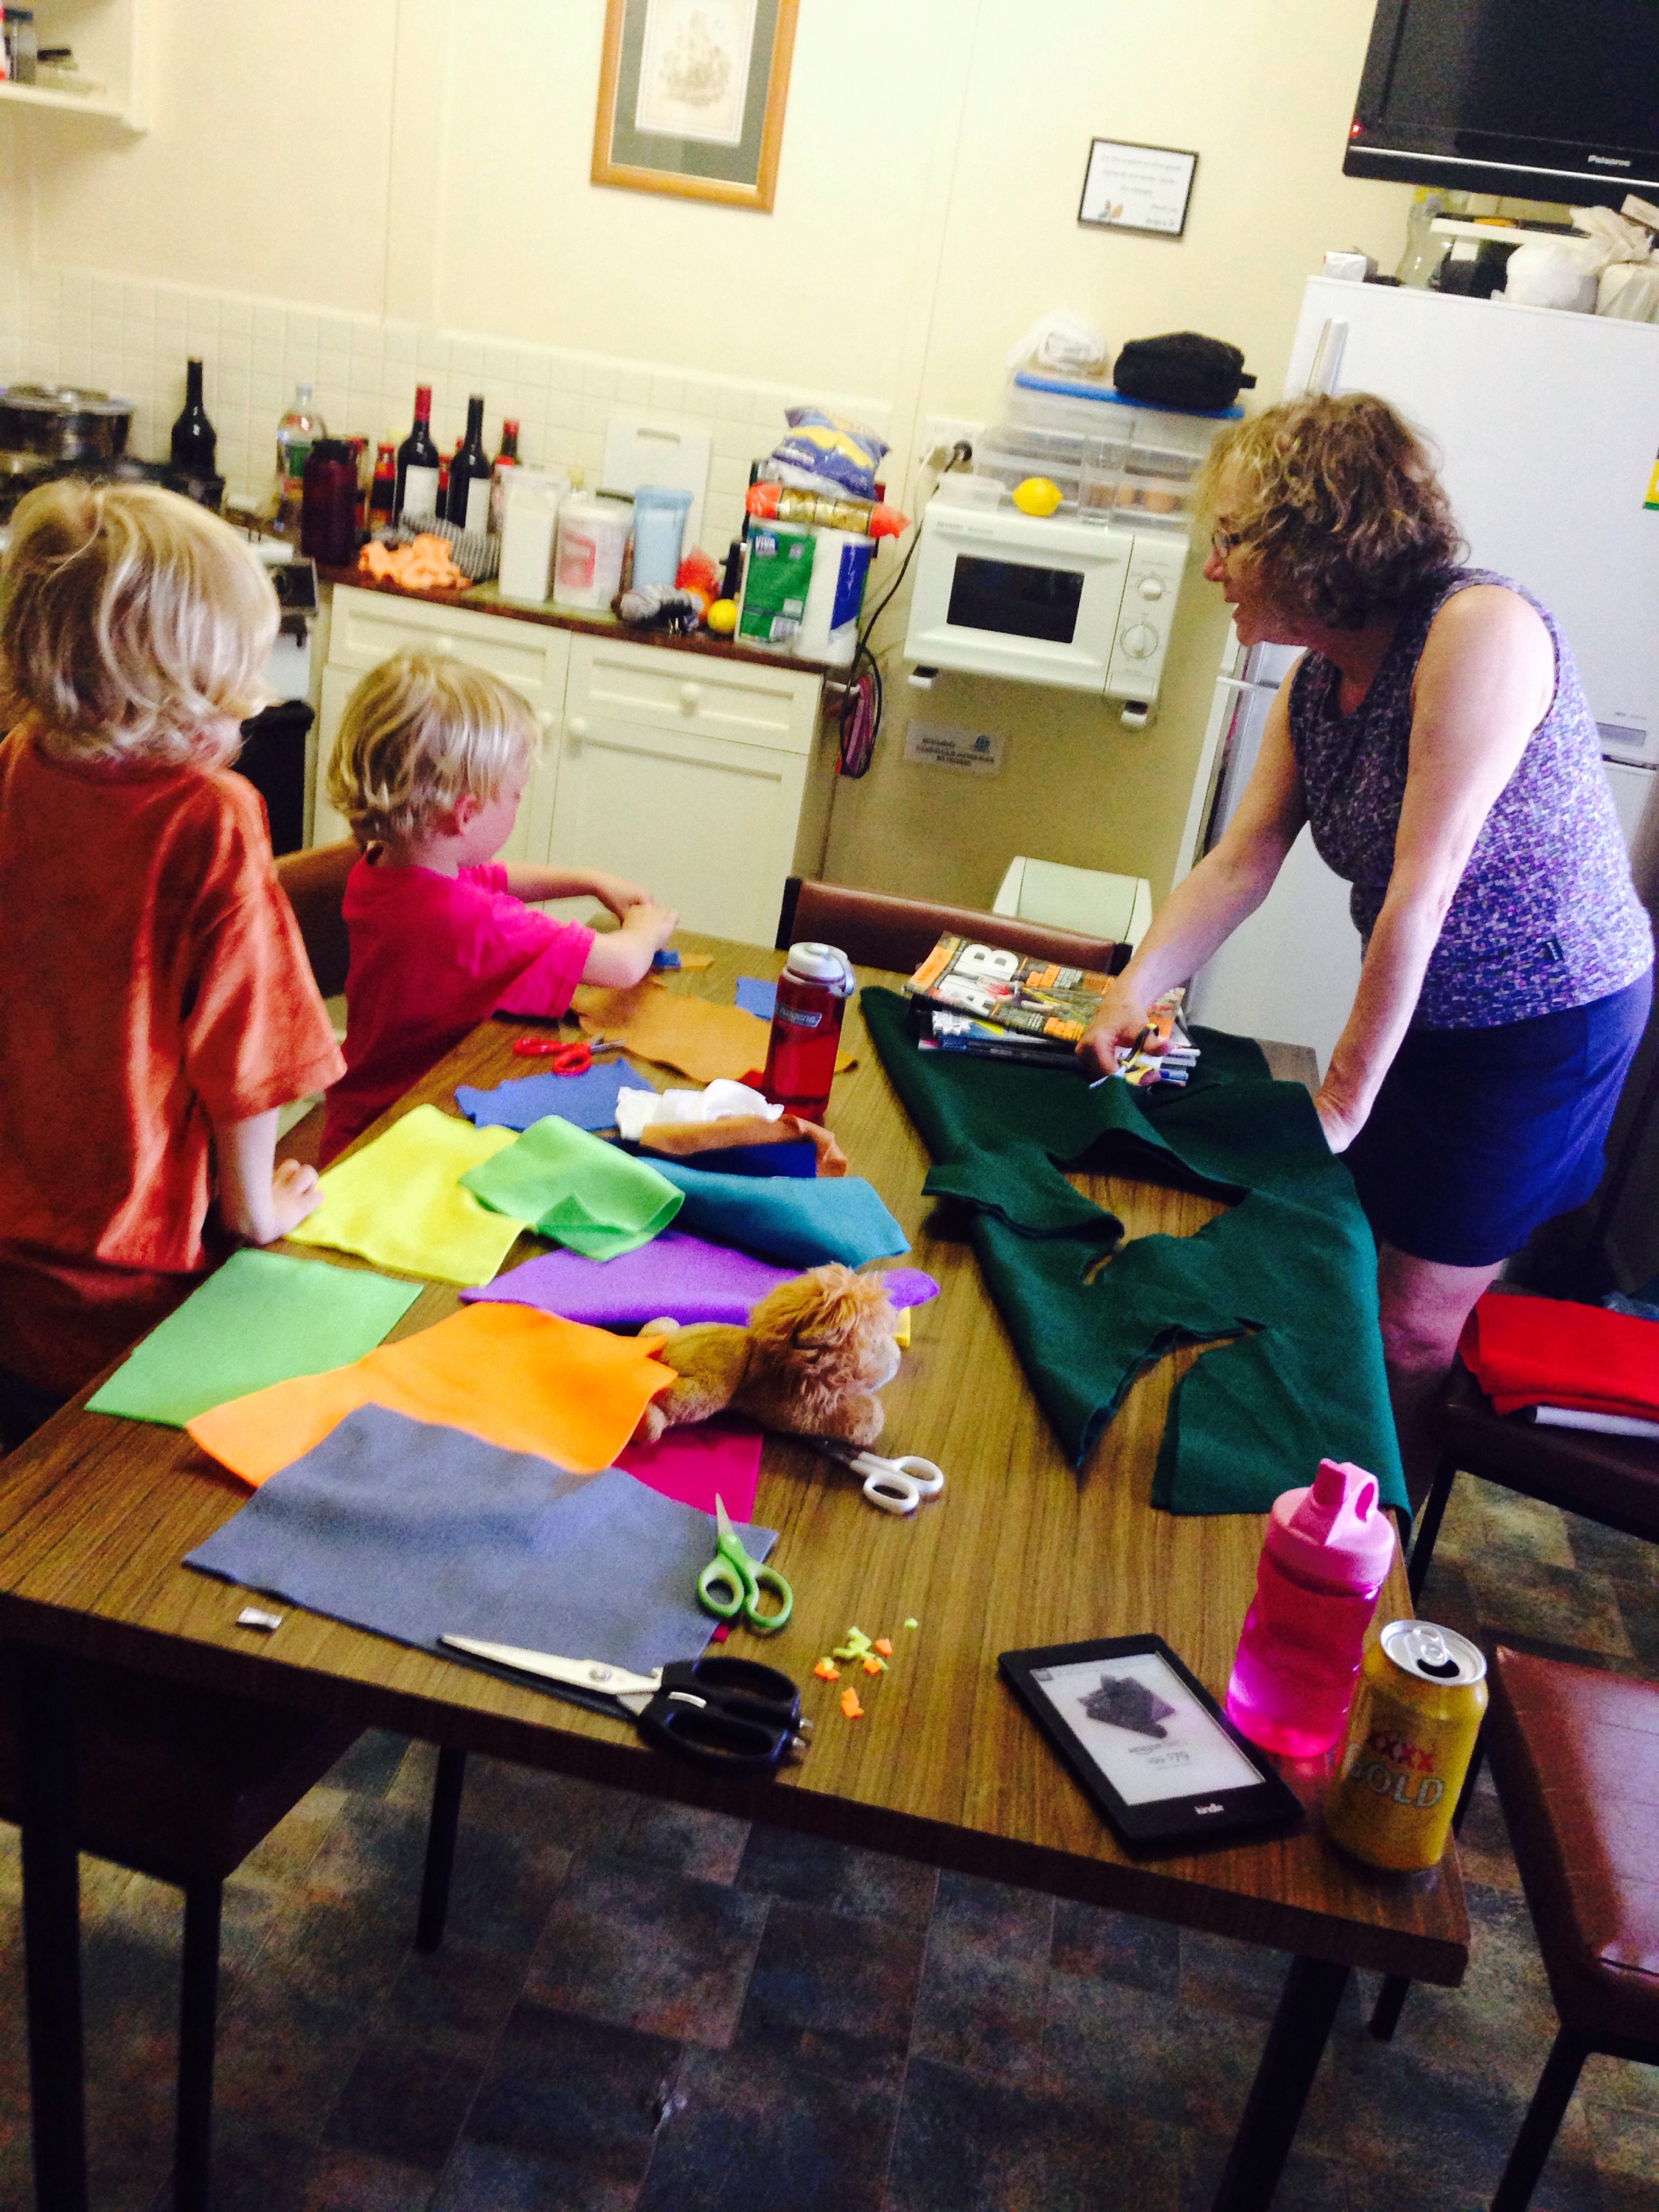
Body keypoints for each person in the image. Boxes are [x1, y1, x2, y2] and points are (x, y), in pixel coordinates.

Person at [1081, 394, 1654, 1498]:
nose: (1213, 568)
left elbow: (1422, 892)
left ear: (1319, 541)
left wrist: (1342, 1099)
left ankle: (1373, 1540)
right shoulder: (1314, 682)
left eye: (1233, 538)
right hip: (1424, 1011)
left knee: (1409, 1329)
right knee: (1354, 1271)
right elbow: (1243, 858)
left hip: (1541, 1028)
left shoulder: (1478, 632)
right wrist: (1133, 988)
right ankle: (1326, 1490)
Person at [0, 481, 343, 1449]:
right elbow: (248, 1056)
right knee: (113, 1509)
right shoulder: (211, 818)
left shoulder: (16, 766)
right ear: (183, 690)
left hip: (11, 1277)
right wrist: (257, 1210)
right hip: (132, 1288)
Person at [321, 648, 677, 1161]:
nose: (518, 803)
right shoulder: (462, 918)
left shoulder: (384, 868)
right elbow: (620, 965)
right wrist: (647, 927)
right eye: (515, 795)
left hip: (362, 1116)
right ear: (465, 815)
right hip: (401, 1138)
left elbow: (492, 878)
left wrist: (589, 881)